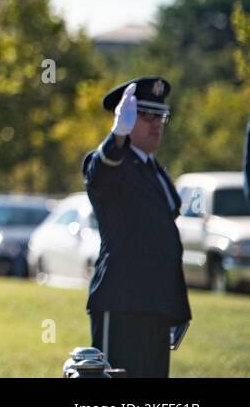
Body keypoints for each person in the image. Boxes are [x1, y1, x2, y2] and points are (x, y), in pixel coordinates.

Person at [82, 77, 191, 377]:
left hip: (156, 303)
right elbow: (98, 174)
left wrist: (177, 306)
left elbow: (165, 239)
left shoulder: (152, 169)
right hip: (122, 302)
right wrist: (117, 136)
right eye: (145, 115)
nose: (156, 124)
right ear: (126, 118)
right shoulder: (112, 162)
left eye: (160, 116)